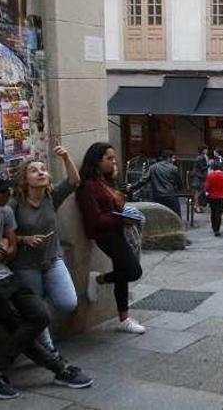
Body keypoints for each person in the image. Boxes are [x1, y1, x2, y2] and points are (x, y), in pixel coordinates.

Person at [0, 171, 92, 400]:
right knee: (18, 324)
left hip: (5, 276)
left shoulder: (5, 210)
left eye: (7, 190)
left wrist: (1, 254)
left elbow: (12, 248)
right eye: (1, 191)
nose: (7, 195)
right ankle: (55, 368)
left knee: (39, 316)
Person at [8, 147, 80, 358]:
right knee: (37, 313)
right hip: (26, 265)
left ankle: (44, 296)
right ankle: (48, 349)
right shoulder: (15, 204)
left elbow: (74, 181)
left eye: (43, 169)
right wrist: (23, 239)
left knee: (68, 302)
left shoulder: (51, 197)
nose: (40, 172)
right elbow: (4, 235)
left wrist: (66, 157)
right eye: (34, 170)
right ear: (24, 179)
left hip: (52, 260)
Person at [76, 142, 146, 334]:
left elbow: (114, 205)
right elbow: (94, 219)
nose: (113, 162)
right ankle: (99, 279)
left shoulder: (105, 181)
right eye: (109, 158)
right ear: (97, 161)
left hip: (117, 231)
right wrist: (121, 220)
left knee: (123, 273)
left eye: (113, 158)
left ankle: (124, 319)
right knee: (133, 271)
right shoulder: (88, 186)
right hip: (105, 235)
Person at [128, 150, 182, 217]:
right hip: (170, 195)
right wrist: (179, 188)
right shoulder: (174, 168)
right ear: (169, 158)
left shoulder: (153, 167)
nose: (174, 160)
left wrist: (132, 187)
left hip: (157, 196)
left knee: (158, 215)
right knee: (176, 215)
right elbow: (179, 182)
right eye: (173, 158)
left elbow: (143, 181)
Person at [205, 161, 223, 237]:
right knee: (219, 212)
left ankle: (214, 226)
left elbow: (207, 187)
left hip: (212, 196)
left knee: (213, 211)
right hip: (222, 196)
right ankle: (217, 229)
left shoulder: (210, 175)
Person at [191, 146, 209, 213]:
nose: (207, 150)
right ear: (203, 150)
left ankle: (196, 205)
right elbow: (202, 168)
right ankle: (196, 205)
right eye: (206, 149)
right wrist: (209, 164)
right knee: (199, 192)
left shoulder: (201, 157)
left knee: (198, 192)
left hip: (199, 176)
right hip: (198, 177)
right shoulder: (201, 157)